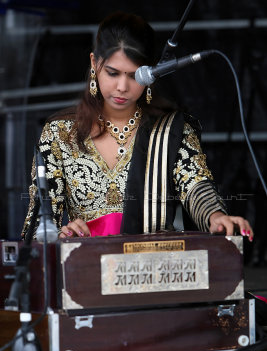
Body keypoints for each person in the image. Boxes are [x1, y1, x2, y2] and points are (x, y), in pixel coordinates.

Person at [21, 11, 253, 242]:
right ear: (94, 63)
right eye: (112, 73)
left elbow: (195, 184)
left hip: (155, 267)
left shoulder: (170, 129)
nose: (122, 86)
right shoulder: (59, 133)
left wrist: (215, 215)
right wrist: (61, 234)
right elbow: (40, 221)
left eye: (134, 76)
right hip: (83, 266)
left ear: (151, 73)